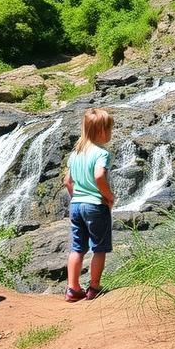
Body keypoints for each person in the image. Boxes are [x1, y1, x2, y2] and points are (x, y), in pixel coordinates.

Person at [62, 107, 114, 302]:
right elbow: (99, 175)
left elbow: (68, 181)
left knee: (77, 248)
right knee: (99, 248)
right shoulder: (101, 153)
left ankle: (73, 288)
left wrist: (77, 196)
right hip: (95, 206)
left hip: (76, 205)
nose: (110, 133)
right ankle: (94, 287)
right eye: (109, 130)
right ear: (101, 131)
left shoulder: (75, 154)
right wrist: (108, 196)